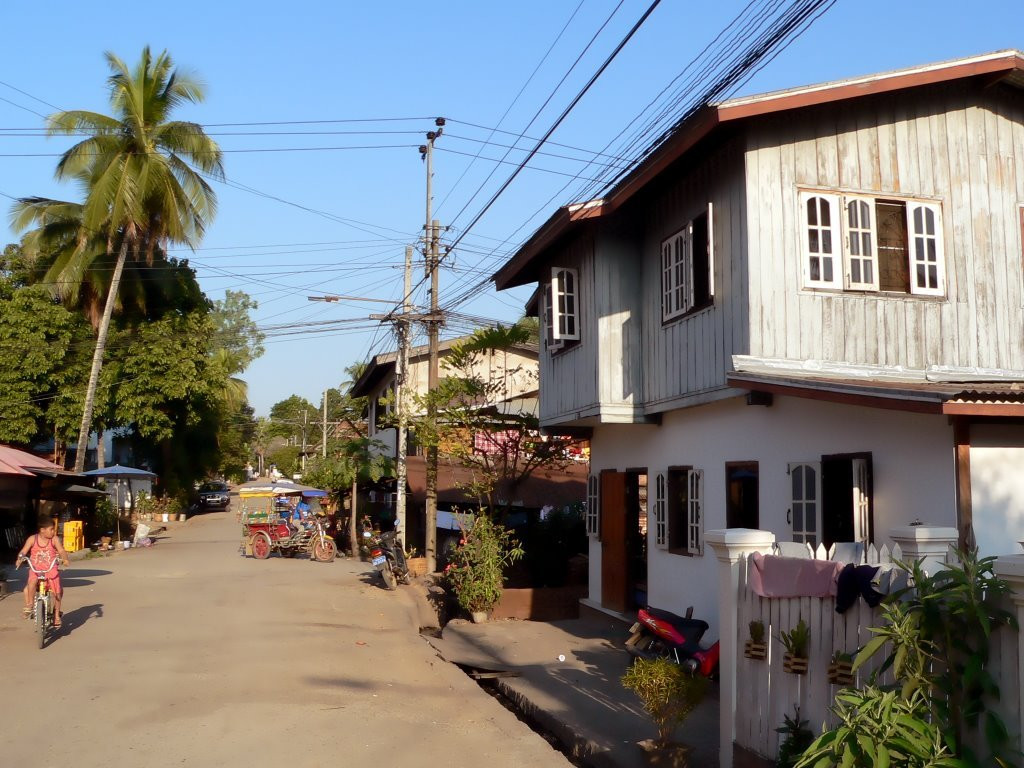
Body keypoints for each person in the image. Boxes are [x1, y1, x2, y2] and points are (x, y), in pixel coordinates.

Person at [17, 514, 70, 627]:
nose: (53, 532)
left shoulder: (54, 540)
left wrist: (65, 558)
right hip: (36, 569)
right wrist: (20, 558)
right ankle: (30, 604)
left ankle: (56, 616)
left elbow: (61, 550)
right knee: (31, 582)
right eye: (51, 529)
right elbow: (23, 551)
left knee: (58, 591)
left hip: (51, 569)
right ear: (42, 530)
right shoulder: (32, 539)